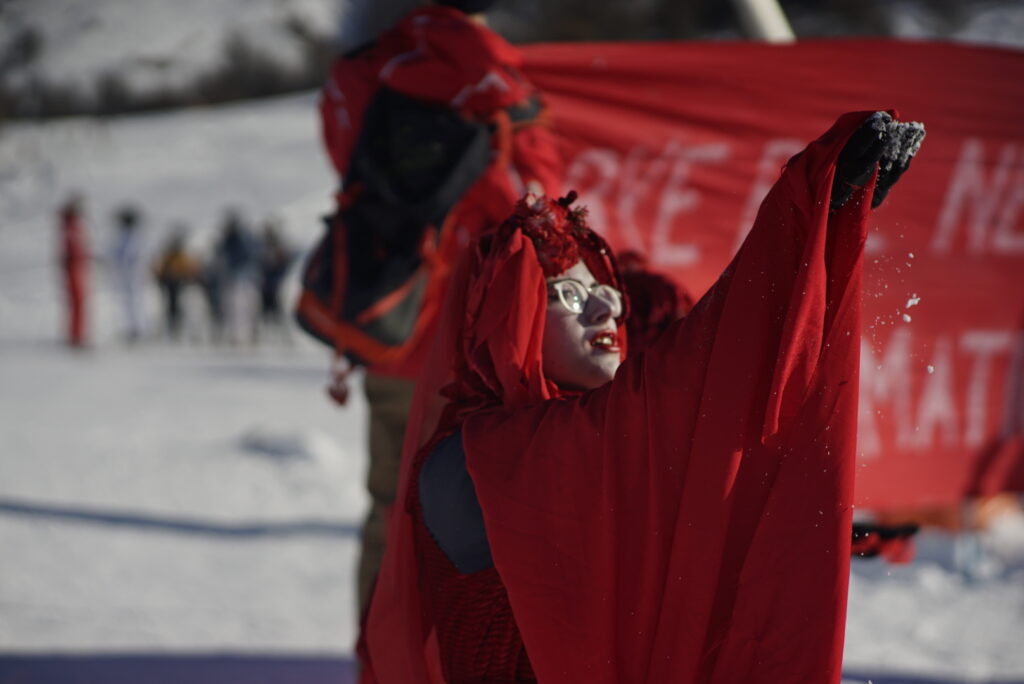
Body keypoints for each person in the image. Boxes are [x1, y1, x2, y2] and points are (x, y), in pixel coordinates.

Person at [359, 112, 925, 683]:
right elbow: (685, 390)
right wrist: (810, 213)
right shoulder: (474, 455)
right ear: (504, 312)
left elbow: (700, 482)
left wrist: (825, 223)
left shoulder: (565, 441)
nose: (607, 309)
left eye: (606, 293)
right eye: (569, 294)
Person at [317, 0, 563, 614]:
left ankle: (377, 665)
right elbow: (540, 209)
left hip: (390, 323)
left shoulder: (360, 72)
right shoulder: (506, 88)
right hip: (480, 348)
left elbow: (350, 168)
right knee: (478, 527)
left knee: (388, 509)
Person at [152, 226, 200, 341]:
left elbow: (192, 270)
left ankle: (187, 332)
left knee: (186, 309)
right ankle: (172, 331)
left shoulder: (183, 255)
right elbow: (160, 271)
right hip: (171, 287)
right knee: (171, 309)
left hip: (182, 286)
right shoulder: (169, 256)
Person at [57, 194, 90, 348]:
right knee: (77, 302)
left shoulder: (74, 226)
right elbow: (70, 251)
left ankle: (78, 334)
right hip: (73, 268)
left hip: (79, 268)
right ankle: (75, 336)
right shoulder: (69, 227)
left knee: (80, 302)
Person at [110, 204, 146, 342]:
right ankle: (131, 328)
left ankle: (137, 329)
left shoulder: (134, 237)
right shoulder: (125, 236)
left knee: (135, 302)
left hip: (133, 276)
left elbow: (132, 257)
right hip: (127, 276)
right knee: (128, 303)